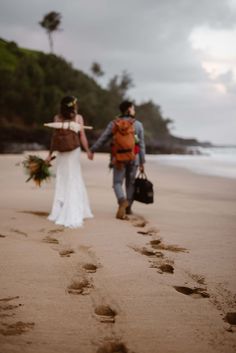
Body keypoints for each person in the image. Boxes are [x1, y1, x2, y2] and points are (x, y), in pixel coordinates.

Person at [90, 100, 145, 219]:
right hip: (133, 157)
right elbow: (141, 145)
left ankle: (122, 201)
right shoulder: (138, 125)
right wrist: (142, 161)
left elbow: (103, 138)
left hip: (118, 158)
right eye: (133, 108)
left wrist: (92, 149)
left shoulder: (114, 124)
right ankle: (128, 207)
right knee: (130, 183)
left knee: (117, 182)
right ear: (129, 110)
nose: (134, 111)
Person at [45, 96, 93, 228]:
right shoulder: (78, 118)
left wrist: (50, 154)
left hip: (62, 152)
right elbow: (82, 136)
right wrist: (88, 150)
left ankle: (58, 211)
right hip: (73, 151)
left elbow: (54, 138)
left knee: (62, 179)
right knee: (74, 178)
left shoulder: (57, 118)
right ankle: (75, 210)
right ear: (73, 106)